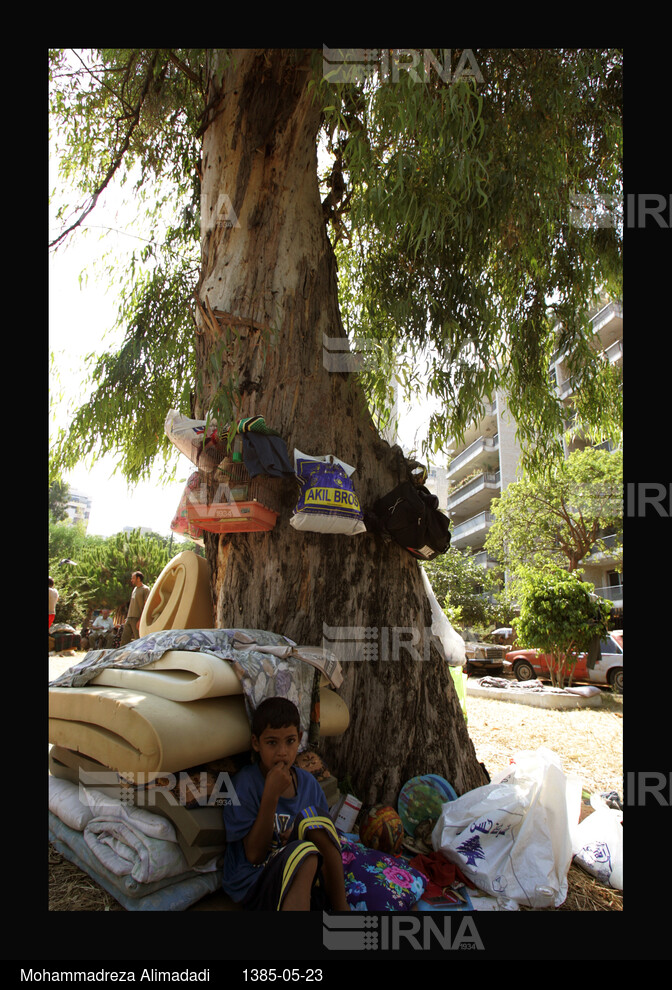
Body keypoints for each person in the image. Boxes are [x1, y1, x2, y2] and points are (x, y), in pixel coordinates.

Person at [221, 697, 350, 912]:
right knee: (302, 853)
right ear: (256, 743)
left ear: (299, 739)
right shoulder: (244, 785)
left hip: (306, 880)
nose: (282, 752)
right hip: (255, 884)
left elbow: (327, 838)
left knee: (313, 823)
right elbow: (254, 855)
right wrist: (270, 796)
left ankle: (342, 910)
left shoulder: (308, 784)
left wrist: (297, 832)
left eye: (290, 741)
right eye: (272, 743)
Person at [120, 571, 149, 646]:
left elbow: (146, 606)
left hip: (137, 618)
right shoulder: (135, 589)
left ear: (138, 578)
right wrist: (128, 617)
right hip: (129, 618)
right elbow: (132, 604)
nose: (131, 580)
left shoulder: (145, 589)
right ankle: (122, 656)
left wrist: (140, 620)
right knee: (124, 639)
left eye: (133, 578)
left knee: (138, 639)